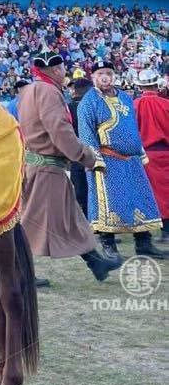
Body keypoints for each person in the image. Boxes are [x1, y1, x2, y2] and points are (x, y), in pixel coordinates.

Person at [17, 47, 118, 282]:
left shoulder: (29, 90)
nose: (65, 72)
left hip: (39, 165)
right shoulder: (49, 92)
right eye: (63, 68)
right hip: (46, 167)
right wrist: (85, 156)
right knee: (30, 223)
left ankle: (96, 263)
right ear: (55, 69)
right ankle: (19, 273)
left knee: (71, 217)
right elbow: (60, 130)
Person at [78, 59, 165, 262]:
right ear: (93, 77)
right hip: (107, 161)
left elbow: (132, 127)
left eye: (108, 73)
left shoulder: (125, 97)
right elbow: (86, 133)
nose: (105, 77)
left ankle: (144, 244)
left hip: (132, 160)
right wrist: (95, 159)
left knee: (139, 200)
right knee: (108, 206)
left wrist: (140, 152)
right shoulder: (89, 102)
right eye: (100, 74)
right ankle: (109, 246)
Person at [134, 68, 169, 244]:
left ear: (140, 87)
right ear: (156, 85)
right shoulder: (166, 104)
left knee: (147, 194)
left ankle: (148, 231)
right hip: (166, 152)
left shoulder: (133, 105)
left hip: (144, 155)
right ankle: (166, 231)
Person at [66, 70, 92, 219]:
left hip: (77, 153)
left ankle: (85, 219)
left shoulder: (69, 107)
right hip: (95, 152)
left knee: (80, 190)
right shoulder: (95, 106)